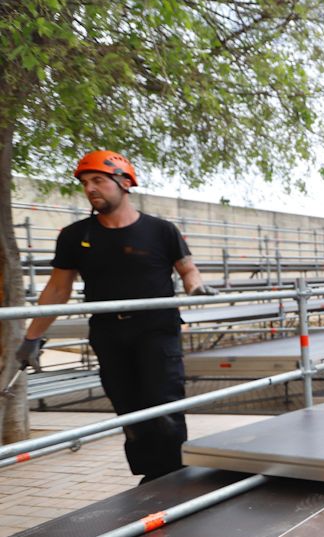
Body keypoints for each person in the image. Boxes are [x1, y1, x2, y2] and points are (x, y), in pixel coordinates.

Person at [15, 150, 220, 483]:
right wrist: (32, 337)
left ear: (124, 183)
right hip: (109, 334)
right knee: (128, 408)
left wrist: (196, 288)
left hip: (157, 330)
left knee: (163, 404)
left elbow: (188, 270)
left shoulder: (161, 230)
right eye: (85, 183)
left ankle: (176, 476)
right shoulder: (74, 235)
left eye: (98, 180)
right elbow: (56, 290)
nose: (90, 188)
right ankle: (151, 477)